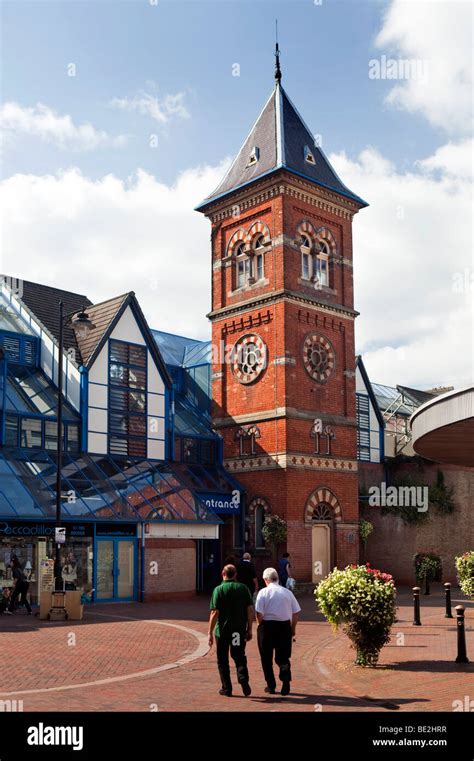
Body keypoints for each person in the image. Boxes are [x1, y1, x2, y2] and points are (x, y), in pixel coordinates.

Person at [208, 564, 254, 697]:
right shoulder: (243, 588)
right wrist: (249, 629)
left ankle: (227, 688)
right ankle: (243, 679)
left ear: (223, 573)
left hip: (222, 631)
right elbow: (250, 610)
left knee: (222, 660)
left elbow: (215, 613)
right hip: (237, 631)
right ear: (235, 574)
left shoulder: (218, 590)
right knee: (239, 656)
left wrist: (209, 632)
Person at [255, 567, 301, 696]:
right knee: (283, 657)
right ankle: (285, 679)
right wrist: (293, 628)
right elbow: (296, 612)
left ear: (266, 580)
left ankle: (271, 685)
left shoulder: (263, 593)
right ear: (277, 578)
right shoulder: (287, 592)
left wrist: (259, 625)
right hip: (284, 627)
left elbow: (259, 613)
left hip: (267, 627)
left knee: (266, 657)